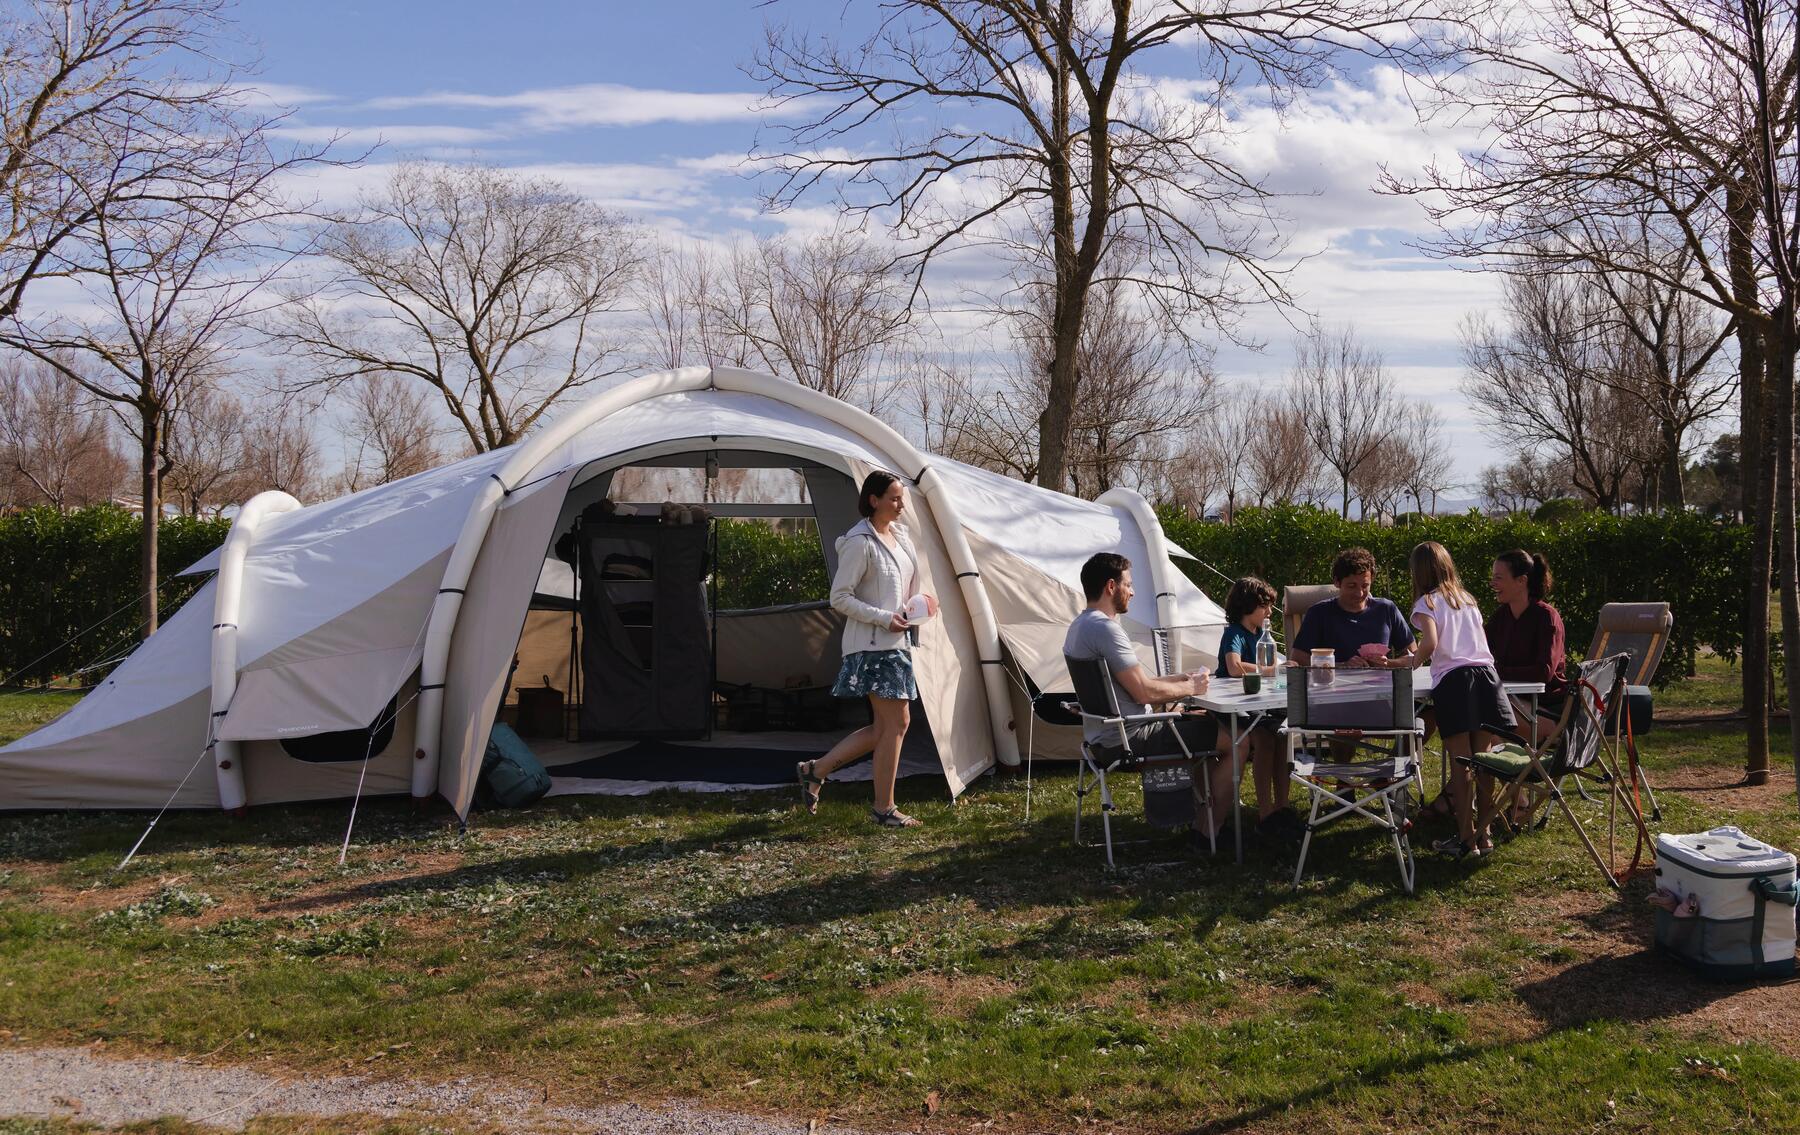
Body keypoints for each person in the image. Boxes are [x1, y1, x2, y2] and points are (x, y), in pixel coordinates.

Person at [796, 470, 939, 828]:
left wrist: (918, 605)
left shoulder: (900, 537)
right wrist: (883, 617)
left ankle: (817, 770)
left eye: (901, 497)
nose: (901, 504)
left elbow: (899, 589)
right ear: (873, 500)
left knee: (887, 727)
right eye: (894, 498)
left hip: (897, 641)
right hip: (874, 646)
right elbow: (839, 597)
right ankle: (882, 808)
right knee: (897, 723)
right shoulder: (860, 542)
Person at [1064, 553, 1232, 840]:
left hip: (1101, 738)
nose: (1132, 591)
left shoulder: (1079, 627)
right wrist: (1192, 689)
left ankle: (1198, 817)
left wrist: (1179, 679)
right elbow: (1143, 692)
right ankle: (1210, 831)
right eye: (1128, 584)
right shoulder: (1106, 630)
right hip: (1130, 740)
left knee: (1202, 729)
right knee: (1234, 740)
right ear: (1111, 587)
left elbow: (1130, 685)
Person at [1408, 541, 1516, 859]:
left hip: (1455, 682)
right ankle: (1485, 835)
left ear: (1418, 572)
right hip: (1487, 676)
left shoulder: (1426, 602)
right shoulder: (1467, 600)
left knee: (1462, 762)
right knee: (1484, 760)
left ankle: (1466, 839)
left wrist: (1409, 666)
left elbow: (1429, 643)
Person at [1215, 576, 1296, 837]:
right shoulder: (1234, 633)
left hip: (1261, 706)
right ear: (1248, 606)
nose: (1270, 612)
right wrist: (1274, 669)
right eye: (1265, 606)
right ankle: (1265, 812)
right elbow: (1234, 666)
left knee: (1283, 738)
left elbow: (1272, 671)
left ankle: (1282, 805)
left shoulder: (1262, 635)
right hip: (1238, 708)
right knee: (1265, 740)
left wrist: (1281, 670)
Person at [1486, 549, 1568, 740]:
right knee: (1472, 708)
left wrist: (1497, 672)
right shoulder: (1500, 617)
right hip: (1515, 701)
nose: (1493, 584)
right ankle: (1485, 768)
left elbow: (1543, 671)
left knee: (1483, 710)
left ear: (1521, 580)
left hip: (1548, 709)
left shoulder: (1547, 617)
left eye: (1498, 578)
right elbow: (1480, 652)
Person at [1291, 547, 1416, 668]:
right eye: (1352, 586)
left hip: (1379, 687)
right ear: (1337, 582)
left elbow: (1415, 657)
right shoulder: (1319, 613)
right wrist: (1342, 666)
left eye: (1365, 586)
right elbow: (1298, 659)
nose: (1359, 593)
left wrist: (1388, 664)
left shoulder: (1386, 610)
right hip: (1334, 686)